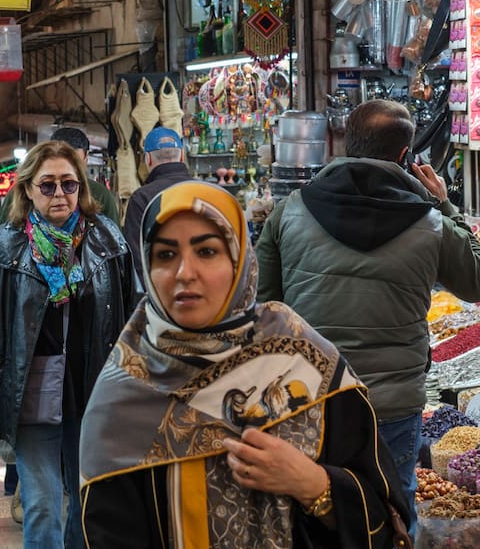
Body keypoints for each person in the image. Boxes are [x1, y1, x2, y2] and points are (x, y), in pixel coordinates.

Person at [81, 181, 411, 547]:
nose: (184, 273)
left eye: (206, 251)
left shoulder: (304, 361)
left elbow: (385, 514)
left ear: (240, 261)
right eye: (165, 255)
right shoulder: (124, 393)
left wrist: (314, 485)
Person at [255, 99, 480, 537]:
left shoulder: (289, 210)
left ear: (346, 143)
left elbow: (263, 308)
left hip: (308, 397)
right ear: (406, 156)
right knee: (392, 516)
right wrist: (444, 204)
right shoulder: (430, 221)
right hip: (392, 405)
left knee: (309, 520)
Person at [0, 140, 137, 549]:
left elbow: (127, 320)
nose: (59, 195)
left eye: (68, 184)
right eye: (47, 185)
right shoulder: (9, 244)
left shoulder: (108, 240)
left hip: (90, 391)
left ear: (81, 188)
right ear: (28, 189)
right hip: (33, 392)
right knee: (43, 505)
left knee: (87, 504)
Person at [119, 126, 192, 271]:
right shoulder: (207, 190)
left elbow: (135, 257)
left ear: (148, 159)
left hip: (160, 288)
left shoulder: (141, 198)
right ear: (182, 156)